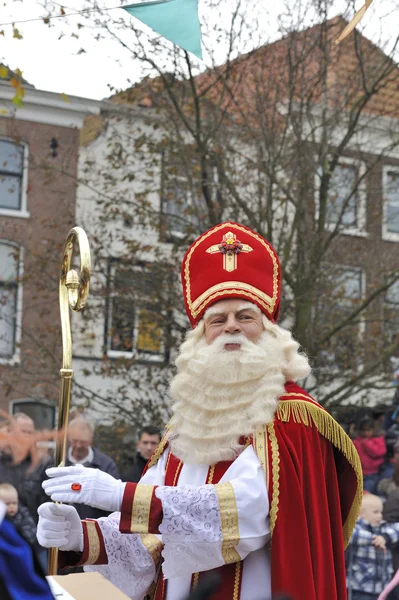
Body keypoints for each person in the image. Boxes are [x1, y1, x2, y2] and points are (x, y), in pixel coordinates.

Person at [37, 222, 362, 600]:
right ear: (200, 338)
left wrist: (120, 496)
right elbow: (153, 535)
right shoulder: (185, 426)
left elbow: (247, 516)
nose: (231, 330)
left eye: (245, 317)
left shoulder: (292, 418)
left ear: (269, 332)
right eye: (217, 321)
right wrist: (84, 536)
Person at [346, 494, 399, 600]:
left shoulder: (383, 528)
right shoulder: (355, 527)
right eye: (375, 512)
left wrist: (385, 538)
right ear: (360, 514)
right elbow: (352, 535)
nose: (380, 516)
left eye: (381, 512)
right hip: (360, 588)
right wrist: (374, 539)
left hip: (382, 588)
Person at [65, 417, 119, 519]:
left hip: (93, 527)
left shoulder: (106, 465)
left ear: (91, 439)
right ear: (68, 437)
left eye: (83, 441)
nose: (78, 445)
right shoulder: (57, 462)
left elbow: (113, 502)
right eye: (75, 440)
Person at [0, 413, 49, 523]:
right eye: (23, 431)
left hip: (35, 533)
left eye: (30, 432)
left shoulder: (42, 464)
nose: (27, 436)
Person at [353, 419, 386, 493]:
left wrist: (366, 443)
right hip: (358, 474)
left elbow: (378, 453)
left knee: (369, 495)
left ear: (373, 430)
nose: (365, 433)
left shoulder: (378, 440)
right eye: (363, 430)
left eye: (368, 430)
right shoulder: (356, 441)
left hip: (372, 474)